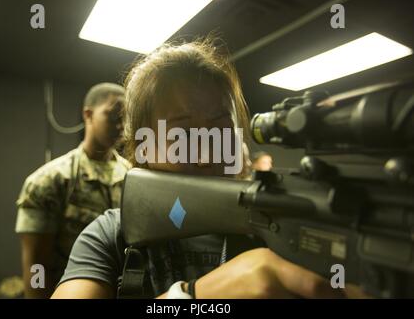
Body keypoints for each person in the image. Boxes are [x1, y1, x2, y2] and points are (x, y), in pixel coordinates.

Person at [51, 39, 360, 299]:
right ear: (141, 148)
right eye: (181, 136)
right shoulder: (113, 235)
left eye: (221, 131)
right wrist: (192, 297)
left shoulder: (281, 226)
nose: (205, 153)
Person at [15, 83, 131, 298]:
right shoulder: (51, 180)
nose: (120, 125)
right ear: (88, 114)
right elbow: (36, 265)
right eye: (113, 115)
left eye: (125, 117)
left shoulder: (133, 177)